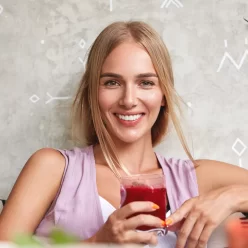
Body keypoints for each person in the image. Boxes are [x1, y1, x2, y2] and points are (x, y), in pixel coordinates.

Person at [0, 20, 248, 248]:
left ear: (163, 95)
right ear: (92, 94)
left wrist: (230, 197)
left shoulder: (196, 177)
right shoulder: (53, 168)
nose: (129, 100)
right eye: (112, 82)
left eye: (146, 83)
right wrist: (97, 242)